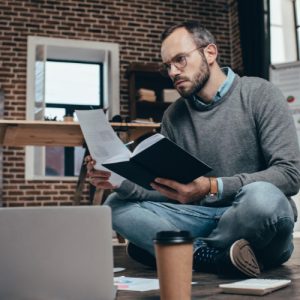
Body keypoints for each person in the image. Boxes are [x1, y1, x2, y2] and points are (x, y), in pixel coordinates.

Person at [86, 21, 300, 278]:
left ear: (210, 53)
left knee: (262, 196)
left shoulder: (260, 94)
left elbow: (290, 175)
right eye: (167, 65)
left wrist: (211, 186)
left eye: (180, 60)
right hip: (200, 216)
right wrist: (119, 180)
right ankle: (209, 256)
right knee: (116, 204)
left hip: (252, 217)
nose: (173, 72)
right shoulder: (174, 115)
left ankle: (170, 248)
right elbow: (169, 190)